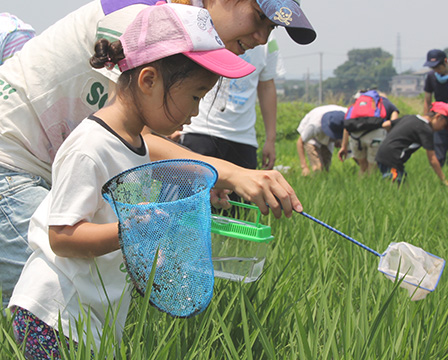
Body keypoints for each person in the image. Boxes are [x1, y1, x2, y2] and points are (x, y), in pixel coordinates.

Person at [0, 0, 315, 307]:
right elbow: (128, 136)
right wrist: (229, 173)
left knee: (96, 288)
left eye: (271, 27)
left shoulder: (172, 32)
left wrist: (198, 174)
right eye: (259, 16)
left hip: (47, 167)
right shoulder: (144, 21)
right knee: (48, 297)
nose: (262, 38)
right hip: (11, 160)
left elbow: (134, 145)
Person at [8, 4, 255, 356]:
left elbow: (125, 211)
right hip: (53, 315)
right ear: (149, 80)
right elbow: (62, 236)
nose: (195, 112)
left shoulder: (135, 145)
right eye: (195, 96)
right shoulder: (90, 146)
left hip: (89, 317)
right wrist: (132, 231)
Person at [178, 34, 285, 173]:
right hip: (199, 130)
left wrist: (271, 139)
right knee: (192, 191)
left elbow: (267, 86)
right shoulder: (210, 30)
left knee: (239, 193)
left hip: (244, 138)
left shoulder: (268, 41)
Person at [375, 102, 448, 185]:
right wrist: (444, 180)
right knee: (394, 188)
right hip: (392, 159)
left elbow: (386, 124)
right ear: (438, 117)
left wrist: (393, 138)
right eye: (444, 125)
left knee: (402, 187)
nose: (442, 129)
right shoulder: (426, 130)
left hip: (381, 154)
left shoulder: (409, 117)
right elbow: (432, 159)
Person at [338, 90, 400, 175]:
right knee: (372, 167)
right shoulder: (387, 103)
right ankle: (371, 186)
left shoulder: (357, 105)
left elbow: (347, 127)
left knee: (362, 168)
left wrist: (344, 146)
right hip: (375, 136)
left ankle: (359, 187)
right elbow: (393, 123)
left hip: (356, 137)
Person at [296, 105, 347, 175]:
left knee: (326, 168)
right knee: (318, 168)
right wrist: (304, 166)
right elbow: (300, 142)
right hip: (312, 138)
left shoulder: (349, 116)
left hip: (329, 131)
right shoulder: (314, 126)